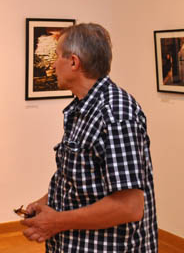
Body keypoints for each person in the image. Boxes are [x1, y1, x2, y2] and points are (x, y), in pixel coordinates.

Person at [22, 23, 158, 252]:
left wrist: (56, 222)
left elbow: (129, 207)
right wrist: (45, 202)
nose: (53, 65)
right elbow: (81, 180)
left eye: (57, 56)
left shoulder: (116, 114)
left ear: (74, 62)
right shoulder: (82, 108)